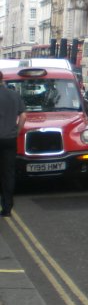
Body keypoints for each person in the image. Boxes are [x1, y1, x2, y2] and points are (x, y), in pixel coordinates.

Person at [0, 71, 25, 217]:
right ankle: (7, 208)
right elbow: (23, 115)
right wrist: (18, 131)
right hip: (10, 139)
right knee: (8, 173)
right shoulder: (14, 95)